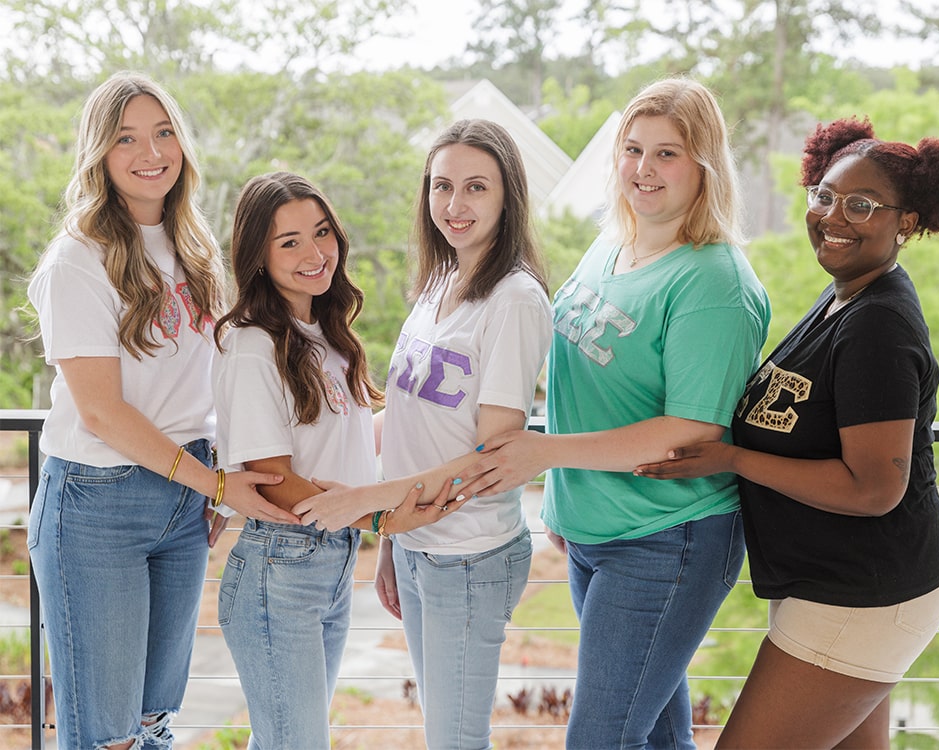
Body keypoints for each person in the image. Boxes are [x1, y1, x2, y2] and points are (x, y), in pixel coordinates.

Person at [634, 116, 939, 748]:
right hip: (839, 586)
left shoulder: (879, 326)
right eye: (824, 196)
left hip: (863, 596)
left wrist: (734, 458)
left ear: (904, 224)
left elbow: (874, 488)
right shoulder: (843, 296)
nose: (833, 216)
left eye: (861, 205)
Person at [455, 78, 771, 748]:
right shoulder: (614, 243)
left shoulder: (713, 282)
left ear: (704, 168)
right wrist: (570, 502)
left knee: (600, 738)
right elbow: (586, 387)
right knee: (654, 737)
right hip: (597, 531)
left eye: (667, 154)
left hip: (667, 538)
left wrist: (547, 456)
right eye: (633, 149)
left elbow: (691, 432)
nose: (643, 170)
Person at [25, 72, 297, 750]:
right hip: (98, 505)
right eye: (126, 139)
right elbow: (101, 412)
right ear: (100, 154)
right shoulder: (78, 259)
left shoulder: (194, 248)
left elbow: (215, 383)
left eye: (164, 131)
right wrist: (214, 486)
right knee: (107, 734)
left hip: (185, 496)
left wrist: (214, 486)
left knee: (153, 721)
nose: (151, 152)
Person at [296, 119, 553, 749]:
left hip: (469, 554)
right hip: (418, 540)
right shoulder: (440, 280)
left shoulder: (514, 300)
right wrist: (389, 539)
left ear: (506, 197)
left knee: (455, 741)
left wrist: (365, 503)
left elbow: (493, 456)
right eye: (442, 187)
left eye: (475, 188)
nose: (454, 205)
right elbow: (412, 421)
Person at [211, 171, 458, 748]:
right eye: (289, 241)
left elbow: (344, 441)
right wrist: (378, 519)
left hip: (328, 561)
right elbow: (271, 481)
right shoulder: (252, 344)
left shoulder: (322, 333)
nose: (315, 253)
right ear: (257, 254)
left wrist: (436, 425)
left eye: (322, 232)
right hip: (281, 570)